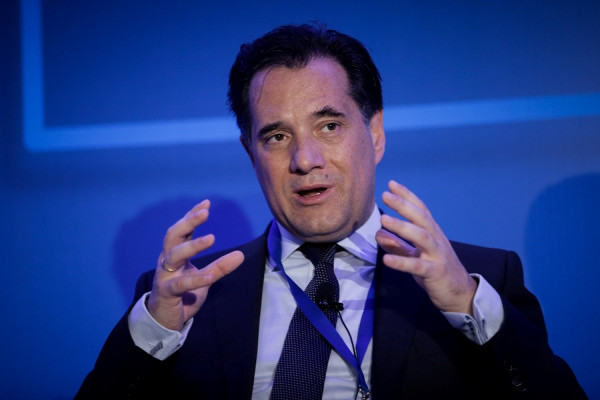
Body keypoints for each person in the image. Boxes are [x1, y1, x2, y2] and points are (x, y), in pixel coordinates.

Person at [76, 23, 587, 399]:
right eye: (277, 137)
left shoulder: (477, 280)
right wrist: (155, 329)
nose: (305, 160)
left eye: (329, 126)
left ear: (376, 134)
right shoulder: (188, 297)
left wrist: (465, 303)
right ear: (251, 153)